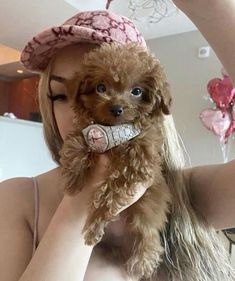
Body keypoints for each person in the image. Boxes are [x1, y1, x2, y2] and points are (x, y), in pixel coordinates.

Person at [0, 1, 234, 280]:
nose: (85, 112)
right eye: (62, 95)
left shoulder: (188, 193)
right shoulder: (19, 200)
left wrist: (212, 8)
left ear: (152, 100)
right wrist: (81, 204)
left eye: (133, 91)